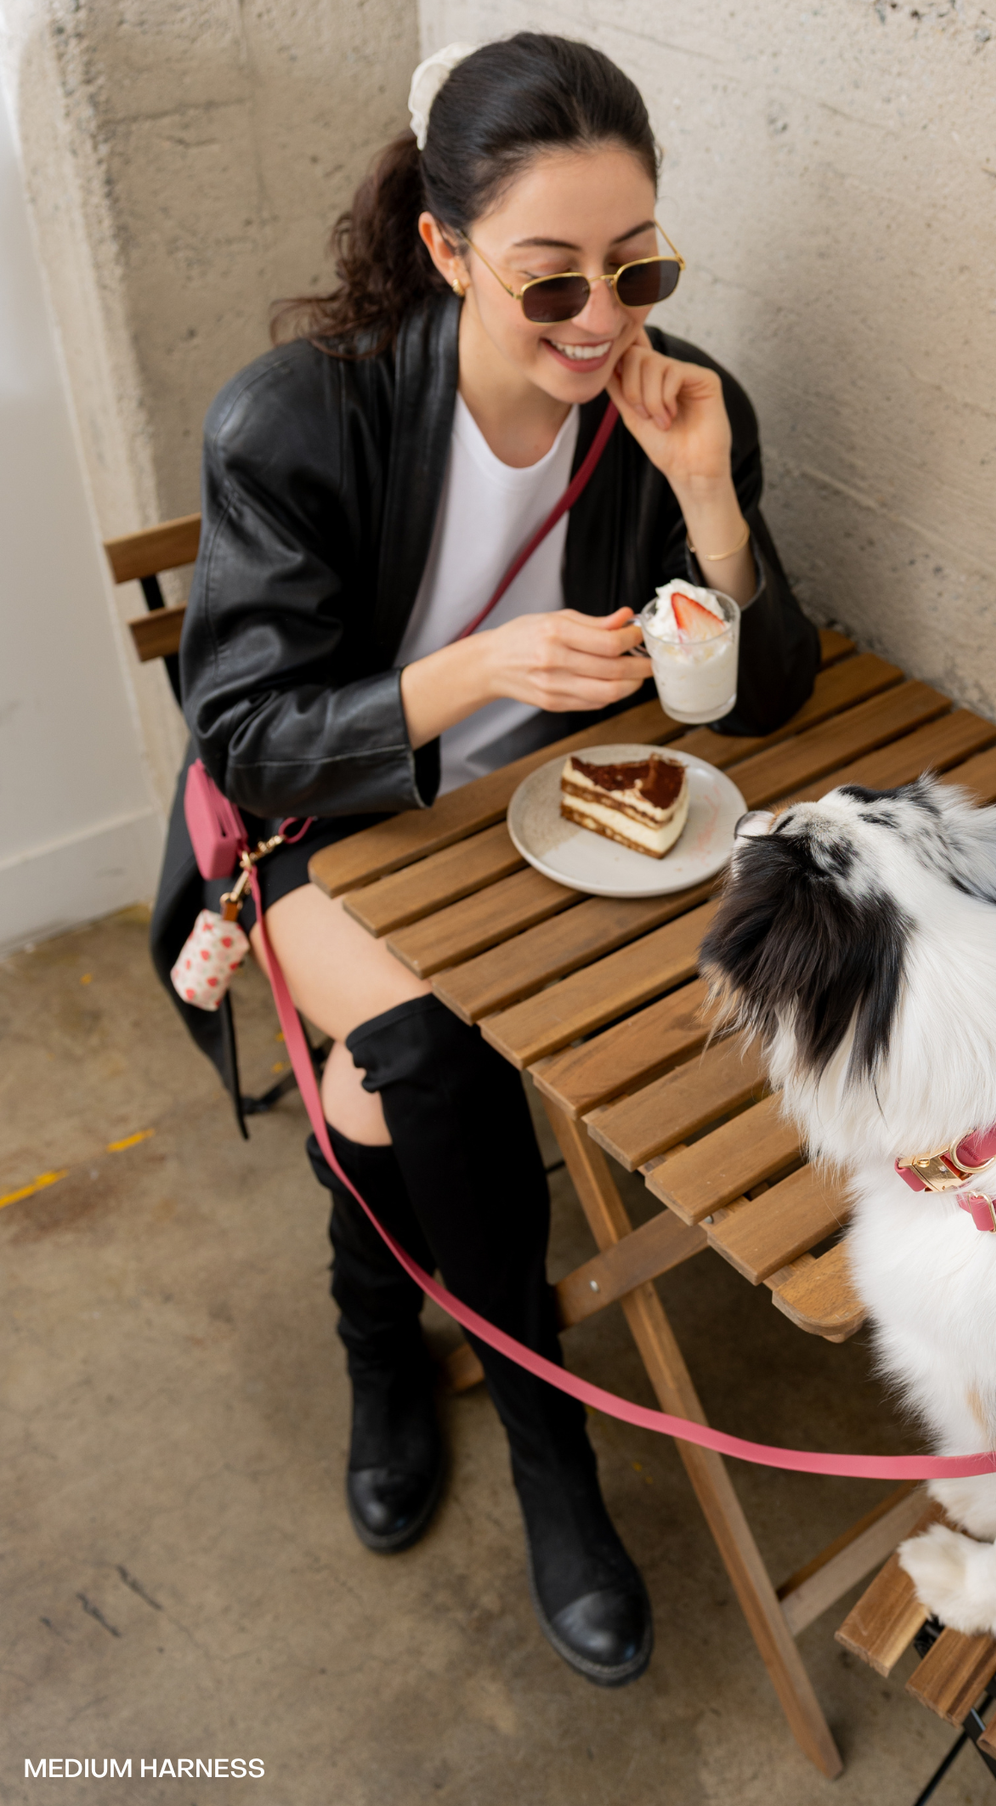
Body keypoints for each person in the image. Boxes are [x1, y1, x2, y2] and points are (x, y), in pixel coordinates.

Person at [148, 32, 818, 1689]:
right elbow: (247, 736)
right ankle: (540, 1443)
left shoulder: (668, 400)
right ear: (448, 251)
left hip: (538, 846)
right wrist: (480, 670)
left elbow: (773, 696)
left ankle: (378, 1326)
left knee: (413, 1093)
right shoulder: (300, 418)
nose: (604, 319)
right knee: (430, 1058)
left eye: (637, 265)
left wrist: (714, 504)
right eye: (551, 282)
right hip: (329, 837)